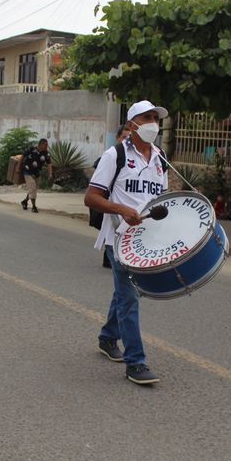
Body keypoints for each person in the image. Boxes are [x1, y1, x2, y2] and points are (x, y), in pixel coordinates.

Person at [84, 100, 169, 385]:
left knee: (127, 293)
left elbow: (161, 201)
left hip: (147, 241)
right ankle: (136, 362)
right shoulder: (115, 155)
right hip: (119, 238)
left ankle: (108, 337)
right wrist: (122, 210)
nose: (153, 123)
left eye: (156, 118)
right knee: (130, 297)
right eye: (147, 118)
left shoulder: (161, 159)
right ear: (132, 124)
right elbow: (91, 197)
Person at [92, 123, 132, 268]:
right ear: (117, 138)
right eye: (124, 137)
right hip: (110, 205)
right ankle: (109, 256)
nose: (127, 140)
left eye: (129, 137)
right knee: (110, 230)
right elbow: (96, 186)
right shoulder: (112, 155)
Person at [15, 138, 53, 213]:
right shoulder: (31, 149)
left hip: (36, 173)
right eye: (45, 145)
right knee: (32, 187)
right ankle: (34, 206)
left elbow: (49, 164)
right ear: (41, 144)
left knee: (32, 189)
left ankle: (25, 201)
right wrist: (18, 167)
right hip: (27, 171)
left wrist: (50, 174)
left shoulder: (46, 154)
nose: (47, 146)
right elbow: (22, 156)